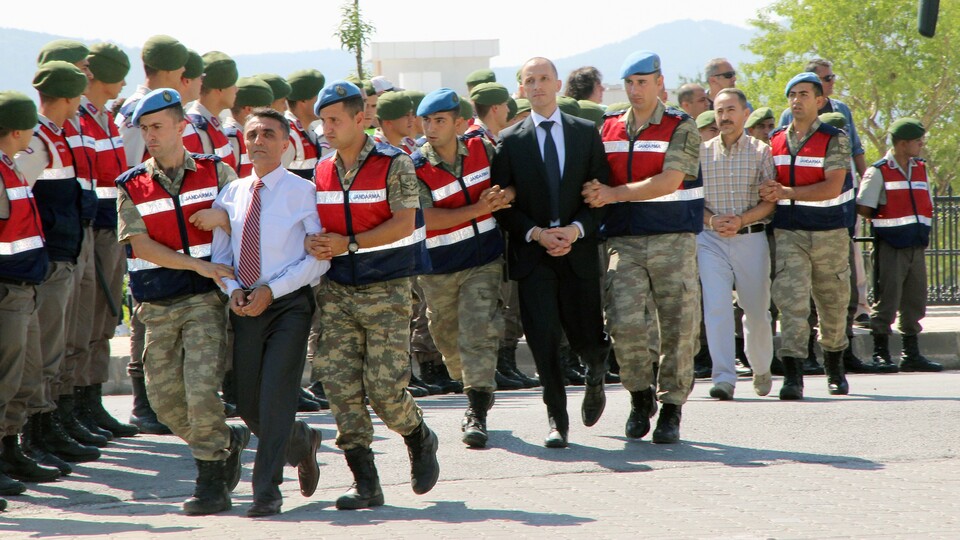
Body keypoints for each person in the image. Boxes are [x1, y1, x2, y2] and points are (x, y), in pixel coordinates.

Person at [115, 88, 250, 515]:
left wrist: (222, 217)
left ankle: (211, 484)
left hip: (205, 301)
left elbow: (248, 218)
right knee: (165, 403)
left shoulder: (216, 171)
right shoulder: (131, 185)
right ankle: (226, 442)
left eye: (157, 126)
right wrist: (197, 265)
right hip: (156, 304)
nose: (150, 136)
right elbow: (141, 245)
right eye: (144, 129)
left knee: (201, 391)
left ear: (181, 126)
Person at [306, 80, 439, 510]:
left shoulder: (393, 163)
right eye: (322, 121)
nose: (326, 129)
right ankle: (365, 482)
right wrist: (315, 243)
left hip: (386, 289)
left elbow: (404, 222)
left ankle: (418, 435)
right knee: (340, 387)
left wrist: (349, 243)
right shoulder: (322, 170)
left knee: (384, 391)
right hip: (337, 293)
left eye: (334, 120)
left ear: (360, 118)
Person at [211, 108, 326, 517]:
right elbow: (220, 258)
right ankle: (300, 441)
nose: (258, 141)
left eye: (268, 134)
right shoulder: (231, 193)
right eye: (252, 134)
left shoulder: (304, 191)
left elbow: (318, 258)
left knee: (276, 396)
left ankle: (266, 491)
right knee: (246, 402)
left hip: (288, 305)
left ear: (285, 143)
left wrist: (271, 290)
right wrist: (233, 291)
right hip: (246, 307)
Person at [583, 50, 702, 444]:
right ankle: (639, 396)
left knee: (678, 326)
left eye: (642, 83)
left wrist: (613, 194)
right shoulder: (608, 126)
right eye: (629, 83)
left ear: (659, 83)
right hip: (624, 240)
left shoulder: (680, 125)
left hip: (672, 239)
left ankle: (671, 408)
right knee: (624, 322)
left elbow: (670, 180)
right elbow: (595, 177)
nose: (635, 90)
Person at [492, 57, 611, 448]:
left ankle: (596, 369)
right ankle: (557, 420)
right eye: (530, 80)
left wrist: (574, 231)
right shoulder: (510, 140)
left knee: (586, 337)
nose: (538, 85)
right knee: (543, 341)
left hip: (578, 252)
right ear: (522, 88)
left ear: (558, 84)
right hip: (534, 256)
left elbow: (600, 195)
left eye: (544, 78)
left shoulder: (584, 133)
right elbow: (503, 207)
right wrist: (537, 233)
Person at [412, 88, 511, 448]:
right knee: (447, 339)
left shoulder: (482, 149)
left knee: (477, 330)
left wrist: (504, 197)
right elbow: (428, 218)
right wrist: (480, 209)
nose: (430, 128)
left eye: (439, 120)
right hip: (439, 269)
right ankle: (472, 382)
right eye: (426, 120)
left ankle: (477, 408)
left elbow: (510, 184)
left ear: (459, 124)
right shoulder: (415, 167)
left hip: (483, 261)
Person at [16, 61, 102, 468]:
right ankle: (33, 435)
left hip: (65, 251)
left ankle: (49, 427)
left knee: (57, 346)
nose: (80, 103)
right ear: (68, 98)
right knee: (44, 352)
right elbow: (18, 196)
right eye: (78, 96)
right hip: (49, 258)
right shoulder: (37, 141)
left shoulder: (56, 134)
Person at [758, 72, 854, 400]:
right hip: (789, 232)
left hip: (829, 233)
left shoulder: (834, 138)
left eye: (804, 94)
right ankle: (793, 376)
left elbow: (832, 186)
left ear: (819, 101)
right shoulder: (775, 140)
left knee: (832, 303)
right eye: (792, 95)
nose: (796, 100)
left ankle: (834, 366)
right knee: (792, 303)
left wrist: (787, 191)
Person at [115, 35, 189, 435]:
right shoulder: (138, 111)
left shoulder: (146, 106)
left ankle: (160, 403)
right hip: (144, 220)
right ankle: (144, 404)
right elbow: (131, 168)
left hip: (163, 221)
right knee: (145, 315)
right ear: (173, 71)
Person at [74, 43, 140, 439]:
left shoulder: (105, 119)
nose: (123, 83)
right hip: (95, 231)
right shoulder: (82, 119)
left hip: (111, 229)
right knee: (86, 323)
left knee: (104, 321)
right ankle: (73, 408)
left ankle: (91, 402)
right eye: (118, 74)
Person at [0, 91, 62, 498]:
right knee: (4, 379)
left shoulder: (10, 165)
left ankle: (10, 450)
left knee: (23, 376)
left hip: (24, 289)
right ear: (17, 131)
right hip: (7, 290)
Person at [698, 88, 776, 400]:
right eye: (719, 111)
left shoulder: (762, 152)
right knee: (716, 308)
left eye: (731, 110)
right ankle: (723, 378)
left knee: (756, 310)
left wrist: (741, 220)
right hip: (711, 240)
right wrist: (712, 221)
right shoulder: (701, 153)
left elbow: (770, 201)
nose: (725, 117)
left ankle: (761, 367)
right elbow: (692, 202)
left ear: (745, 114)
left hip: (750, 238)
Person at [856, 118, 943, 373]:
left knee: (915, 300)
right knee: (887, 300)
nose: (921, 144)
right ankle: (881, 352)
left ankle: (911, 354)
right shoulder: (879, 171)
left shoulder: (921, 168)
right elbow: (864, 207)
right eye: (917, 141)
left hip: (916, 244)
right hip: (891, 245)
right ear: (902, 144)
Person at [182, 52, 239, 173]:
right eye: (233, 84)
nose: (236, 89)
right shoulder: (194, 128)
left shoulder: (212, 123)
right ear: (220, 89)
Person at [222, 77, 274, 178]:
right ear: (249, 109)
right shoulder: (231, 138)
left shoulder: (244, 135)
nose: (269, 111)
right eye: (266, 107)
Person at [282, 69, 325, 180]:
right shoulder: (288, 135)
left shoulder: (309, 130)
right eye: (319, 96)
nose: (323, 101)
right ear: (303, 100)